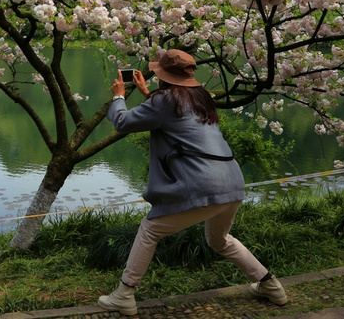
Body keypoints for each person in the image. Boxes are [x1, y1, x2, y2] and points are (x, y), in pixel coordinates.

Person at [98, 49, 287, 316]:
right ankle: (271, 285)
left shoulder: (165, 100)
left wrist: (119, 95)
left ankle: (124, 294)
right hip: (232, 181)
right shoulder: (201, 98)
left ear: (163, 77)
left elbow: (122, 121)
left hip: (203, 184)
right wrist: (145, 93)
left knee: (150, 230)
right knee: (219, 240)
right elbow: (174, 117)